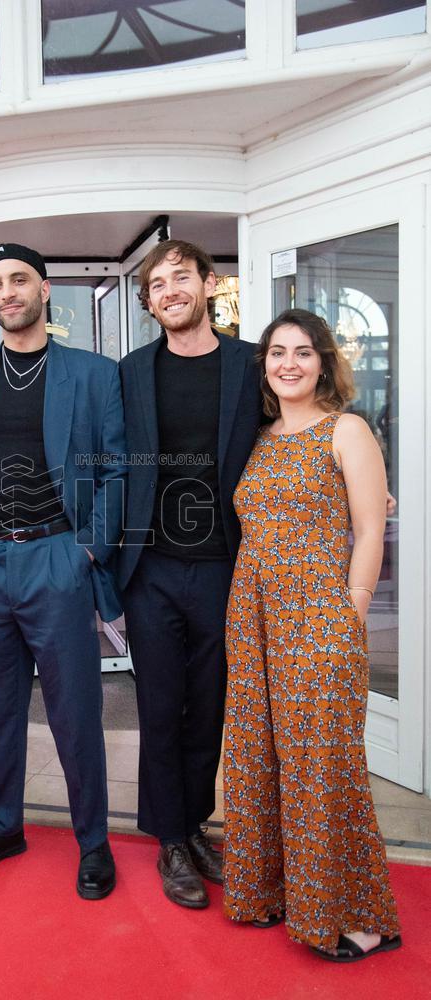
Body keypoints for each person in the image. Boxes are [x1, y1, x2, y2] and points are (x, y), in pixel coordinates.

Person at [0, 243, 125, 898]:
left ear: (45, 290)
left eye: (19, 280)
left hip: (56, 559)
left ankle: (94, 842)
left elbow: (116, 473)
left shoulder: (95, 376)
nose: (7, 292)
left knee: (75, 712)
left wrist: (86, 552)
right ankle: (1, 824)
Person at [222, 308, 400, 962]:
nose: (289, 363)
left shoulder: (346, 430)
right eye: (277, 353)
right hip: (254, 621)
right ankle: (273, 891)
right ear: (264, 366)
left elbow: (371, 528)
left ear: (324, 360)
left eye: (302, 351)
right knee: (258, 760)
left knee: (322, 766)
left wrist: (351, 609)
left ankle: (358, 915)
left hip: (318, 619)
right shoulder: (261, 437)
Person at [118, 240, 263, 908]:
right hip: (151, 565)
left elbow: (297, 428)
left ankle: (196, 825)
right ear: (148, 301)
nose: (169, 289)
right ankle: (170, 838)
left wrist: (357, 478)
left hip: (224, 566)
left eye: (181, 277)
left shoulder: (251, 364)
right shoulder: (129, 372)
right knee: (159, 708)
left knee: (208, 709)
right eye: (157, 283)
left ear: (209, 284)